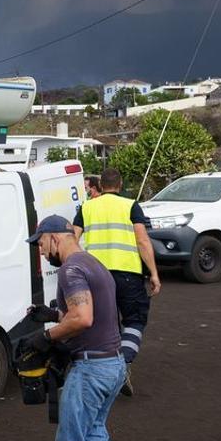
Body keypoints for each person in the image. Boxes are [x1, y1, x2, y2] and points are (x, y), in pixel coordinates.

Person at [23, 215, 125, 441]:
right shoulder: (92, 262)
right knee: (94, 436)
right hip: (114, 364)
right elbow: (90, 313)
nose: (41, 252)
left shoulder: (70, 270)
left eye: (41, 244)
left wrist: (46, 337)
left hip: (92, 370)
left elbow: (82, 318)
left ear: (54, 238)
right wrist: (52, 315)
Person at [72, 168, 160, 396]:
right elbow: (142, 240)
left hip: (95, 275)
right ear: (120, 184)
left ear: (100, 186)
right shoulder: (130, 205)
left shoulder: (87, 207)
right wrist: (153, 273)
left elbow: (73, 239)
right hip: (128, 273)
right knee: (134, 320)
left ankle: (102, 373)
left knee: (106, 325)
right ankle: (122, 366)